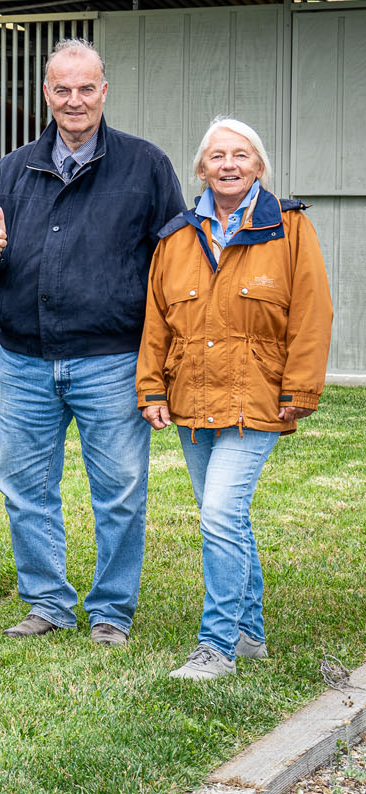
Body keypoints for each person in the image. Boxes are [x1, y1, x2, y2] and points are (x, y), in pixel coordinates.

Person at [0, 37, 185, 645]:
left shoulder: (145, 166)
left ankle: (113, 611)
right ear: (46, 93)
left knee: (118, 490)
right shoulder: (13, 168)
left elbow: (173, 266)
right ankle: (48, 602)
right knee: (24, 486)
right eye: (61, 89)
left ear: (104, 91)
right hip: (26, 360)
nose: (74, 101)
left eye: (85, 88)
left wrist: (162, 358)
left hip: (111, 360)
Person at [137, 118, 332, 680]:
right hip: (192, 400)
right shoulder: (176, 235)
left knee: (221, 513)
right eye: (217, 156)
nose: (228, 165)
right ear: (201, 169)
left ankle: (216, 645)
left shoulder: (288, 228)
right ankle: (250, 633)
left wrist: (299, 389)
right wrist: (151, 387)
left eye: (241, 155)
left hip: (256, 399)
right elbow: (156, 319)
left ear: (259, 166)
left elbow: (312, 314)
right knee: (227, 518)